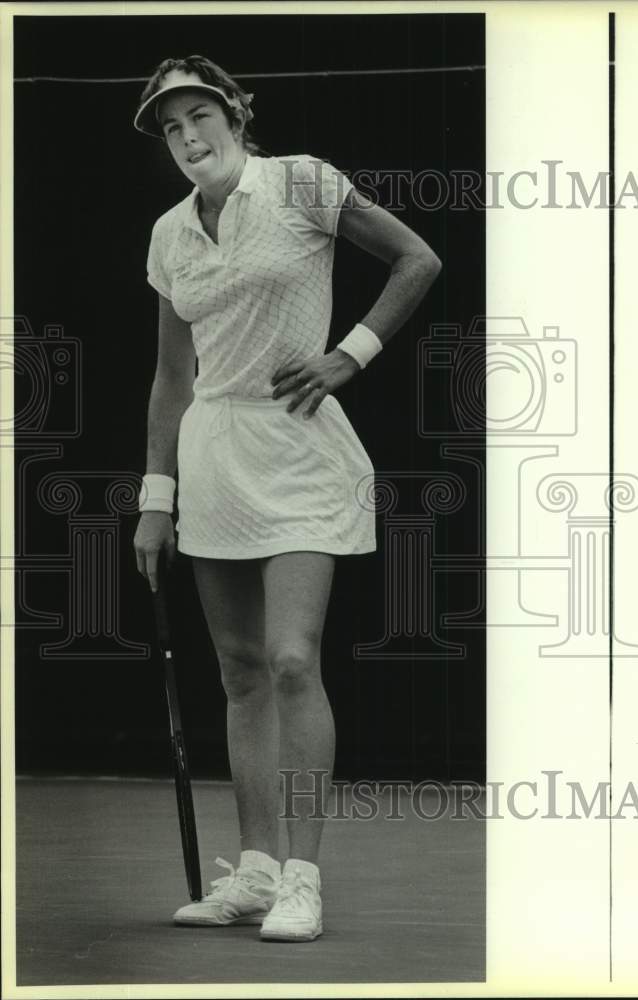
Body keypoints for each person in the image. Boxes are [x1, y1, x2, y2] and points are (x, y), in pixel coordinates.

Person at [131, 55, 441, 943]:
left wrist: (352, 354)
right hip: (214, 457)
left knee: (293, 660)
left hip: (302, 448)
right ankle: (257, 872)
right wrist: (157, 494)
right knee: (239, 675)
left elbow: (418, 259)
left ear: (234, 113)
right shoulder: (167, 232)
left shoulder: (302, 182)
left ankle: (304, 878)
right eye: (171, 127)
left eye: (201, 116)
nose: (189, 138)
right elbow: (169, 374)